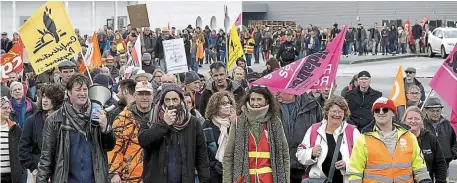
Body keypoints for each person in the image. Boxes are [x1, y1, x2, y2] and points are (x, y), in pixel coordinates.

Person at [37, 74, 115, 183]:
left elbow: (109, 147)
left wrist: (105, 128)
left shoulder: (98, 115)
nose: (82, 93)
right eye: (78, 90)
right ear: (69, 92)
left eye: (85, 89)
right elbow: (46, 158)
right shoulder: (54, 120)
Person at [348, 97, 432, 183]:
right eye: (377, 110)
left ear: (393, 113)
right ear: (373, 114)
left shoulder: (409, 137)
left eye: (385, 110)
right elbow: (355, 172)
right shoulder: (363, 139)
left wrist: (425, 180)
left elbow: (419, 167)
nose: (381, 113)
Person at [138, 83, 210, 182]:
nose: (171, 103)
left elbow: (201, 154)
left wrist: (205, 180)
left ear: (181, 100)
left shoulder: (192, 122)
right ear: (162, 101)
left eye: (175, 99)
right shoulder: (151, 118)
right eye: (167, 100)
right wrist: (164, 123)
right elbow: (143, 140)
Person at [223, 86, 289, 183]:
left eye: (259, 99)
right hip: (244, 179)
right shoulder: (238, 122)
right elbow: (229, 156)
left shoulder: (275, 123)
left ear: (266, 101)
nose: (255, 103)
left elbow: (284, 155)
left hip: (269, 179)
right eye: (252, 99)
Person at [297, 96, 360, 183]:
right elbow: (300, 154)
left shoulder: (352, 132)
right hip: (318, 180)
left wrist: (347, 165)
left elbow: (361, 159)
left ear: (345, 114)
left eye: (340, 112)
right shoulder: (314, 129)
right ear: (327, 112)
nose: (337, 115)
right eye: (334, 111)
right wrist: (311, 153)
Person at [108, 81, 154, 182]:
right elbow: (115, 148)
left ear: (153, 96)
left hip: (155, 175)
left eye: (148, 94)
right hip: (129, 177)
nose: (144, 97)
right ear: (134, 95)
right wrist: (115, 173)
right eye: (141, 94)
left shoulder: (159, 117)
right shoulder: (122, 118)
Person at [18, 84, 64, 180]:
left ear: (57, 99)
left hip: (60, 170)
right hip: (39, 170)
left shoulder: (64, 119)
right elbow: (23, 148)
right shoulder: (32, 120)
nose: (45, 100)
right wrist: (33, 167)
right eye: (43, 96)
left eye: (49, 97)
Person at [277, 91, 322, 182]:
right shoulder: (271, 105)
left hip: (305, 165)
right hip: (279, 165)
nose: (277, 93)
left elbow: (321, 131)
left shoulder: (312, 105)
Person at [402, 106, 447, 183]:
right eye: (410, 118)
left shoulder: (430, 138)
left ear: (422, 121)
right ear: (404, 120)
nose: (413, 121)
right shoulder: (399, 138)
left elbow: (440, 164)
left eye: (417, 118)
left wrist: (440, 181)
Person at [202, 91, 237, 182]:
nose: (227, 106)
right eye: (224, 103)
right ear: (215, 106)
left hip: (232, 168)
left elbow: (239, 143)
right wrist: (213, 164)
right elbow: (203, 148)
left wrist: (234, 123)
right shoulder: (207, 124)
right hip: (214, 171)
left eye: (229, 103)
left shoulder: (235, 122)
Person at [423, 97, 457, 167]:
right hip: (427, 163)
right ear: (426, 110)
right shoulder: (422, 125)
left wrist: (452, 153)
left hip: (444, 162)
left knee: (442, 178)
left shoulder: (448, 124)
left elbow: (455, 141)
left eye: (438, 111)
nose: (435, 113)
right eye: (432, 111)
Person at [0, 96, 23, 183]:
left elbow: (23, 149)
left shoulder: (15, 128)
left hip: (11, 177)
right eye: (4, 108)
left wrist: (20, 168)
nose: (8, 110)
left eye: (9, 108)